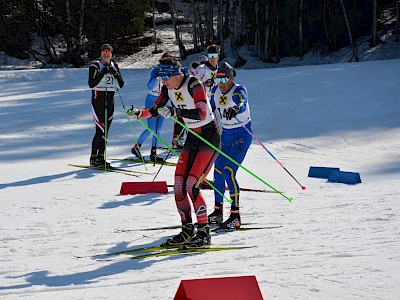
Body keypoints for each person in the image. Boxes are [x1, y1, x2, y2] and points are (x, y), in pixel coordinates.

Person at [127, 54, 220, 248]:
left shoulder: (193, 84)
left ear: (176, 74)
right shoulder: (166, 88)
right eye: (161, 77)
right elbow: (154, 110)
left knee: (192, 184)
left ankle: (204, 233)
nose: (163, 81)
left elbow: (202, 111)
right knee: (178, 185)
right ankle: (187, 230)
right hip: (192, 138)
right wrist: (139, 114)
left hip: (209, 137)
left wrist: (176, 113)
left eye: (166, 77)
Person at [208, 62, 252, 230]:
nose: (222, 82)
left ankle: (235, 215)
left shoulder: (239, 90)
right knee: (218, 170)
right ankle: (218, 211)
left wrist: (235, 109)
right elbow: (208, 108)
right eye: (219, 79)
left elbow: (241, 102)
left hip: (242, 136)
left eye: (225, 78)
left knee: (229, 171)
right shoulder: (215, 91)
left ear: (231, 77)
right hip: (226, 135)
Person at [88, 44, 124, 167]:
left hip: (110, 100)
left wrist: (115, 74)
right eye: (103, 51)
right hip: (98, 99)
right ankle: (93, 157)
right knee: (100, 129)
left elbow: (121, 84)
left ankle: (101, 156)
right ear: (101, 53)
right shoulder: (95, 66)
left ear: (111, 54)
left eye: (108, 52)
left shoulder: (115, 66)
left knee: (106, 129)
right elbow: (91, 84)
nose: (106, 53)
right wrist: (102, 72)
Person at [131, 64, 164, 162]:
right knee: (152, 128)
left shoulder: (170, 71)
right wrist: (156, 77)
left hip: (162, 100)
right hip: (152, 99)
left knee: (158, 129)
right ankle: (137, 147)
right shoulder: (156, 70)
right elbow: (149, 86)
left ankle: (153, 153)